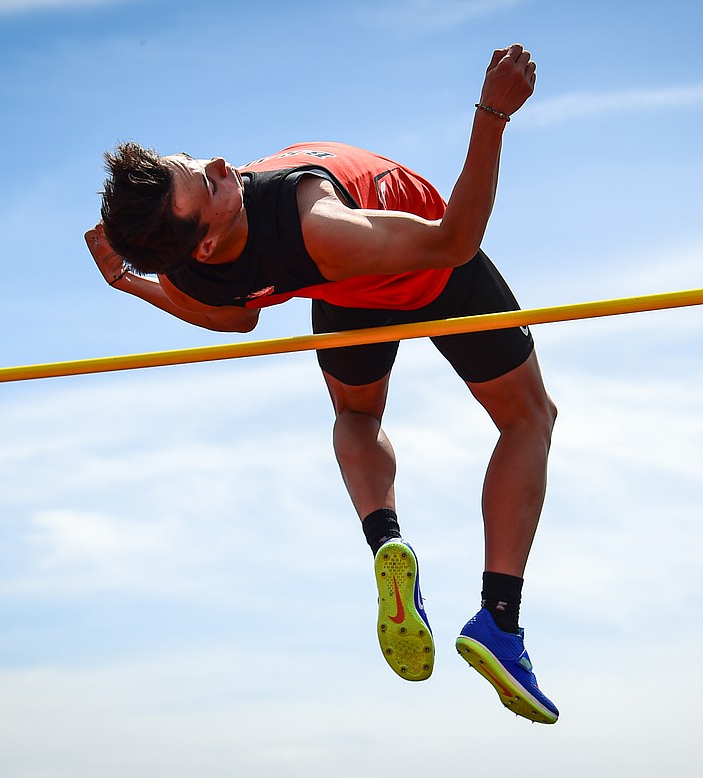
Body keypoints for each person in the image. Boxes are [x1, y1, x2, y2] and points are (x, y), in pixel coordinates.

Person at [86, 44, 559, 724]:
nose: (223, 165)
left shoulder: (187, 262)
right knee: (528, 419)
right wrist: (492, 115)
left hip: (344, 286)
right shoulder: (313, 220)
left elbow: (231, 314)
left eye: (198, 163)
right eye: (213, 185)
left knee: (356, 416)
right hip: (420, 267)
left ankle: (384, 538)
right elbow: (452, 243)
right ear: (206, 246)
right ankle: (499, 620)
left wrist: (133, 284)